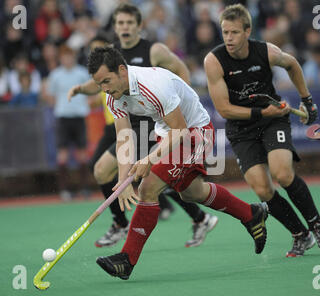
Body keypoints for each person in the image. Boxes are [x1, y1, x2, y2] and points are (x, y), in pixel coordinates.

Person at [87, 46, 269, 280]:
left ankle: (127, 259)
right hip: (168, 132)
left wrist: (149, 159)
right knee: (192, 193)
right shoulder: (114, 94)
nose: (104, 89)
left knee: (148, 187)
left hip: (195, 132)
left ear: (122, 70)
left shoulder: (151, 86)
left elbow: (181, 130)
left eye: (106, 81)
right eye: (99, 84)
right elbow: (124, 138)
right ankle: (251, 214)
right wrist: (122, 180)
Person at [68, 3, 218, 248]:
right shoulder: (110, 55)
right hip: (125, 120)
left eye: (129, 23)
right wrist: (81, 90)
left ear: (139, 26)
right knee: (121, 173)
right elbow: (96, 83)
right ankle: (196, 217)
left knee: (143, 176)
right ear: (115, 27)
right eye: (120, 23)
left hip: (153, 123)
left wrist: (181, 99)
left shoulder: (154, 50)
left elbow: (179, 69)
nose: (124, 27)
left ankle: (123, 224)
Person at [204, 4, 320, 257]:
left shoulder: (265, 51)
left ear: (247, 31)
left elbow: (293, 64)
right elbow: (224, 109)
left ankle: (317, 224)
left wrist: (307, 100)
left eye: (234, 32)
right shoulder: (214, 61)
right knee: (262, 189)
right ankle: (300, 235)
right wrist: (263, 112)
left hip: (273, 121)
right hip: (242, 127)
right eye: (225, 32)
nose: (228, 38)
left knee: (283, 173)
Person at [44, 44, 91, 201]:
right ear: (60, 58)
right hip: (63, 118)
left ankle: (84, 188)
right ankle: (64, 190)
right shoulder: (56, 75)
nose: (67, 59)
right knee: (62, 155)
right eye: (64, 56)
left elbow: (91, 91)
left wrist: (83, 104)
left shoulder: (82, 73)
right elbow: (49, 96)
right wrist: (62, 106)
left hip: (79, 117)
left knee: (82, 155)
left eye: (70, 56)